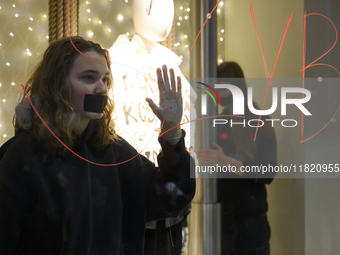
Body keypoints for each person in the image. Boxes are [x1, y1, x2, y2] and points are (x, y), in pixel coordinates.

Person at [0, 36, 195, 255]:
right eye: (89, 77)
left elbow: (173, 196)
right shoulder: (21, 156)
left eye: (105, 79)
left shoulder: (113, 151)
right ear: (58, 83)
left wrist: (172, 133)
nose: (101, 88)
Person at [197, 61, 277, 255]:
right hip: (223, 221)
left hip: (249, 224)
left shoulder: (258, 118)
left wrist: (225, 161)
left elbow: (267, 172)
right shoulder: (218, 121)